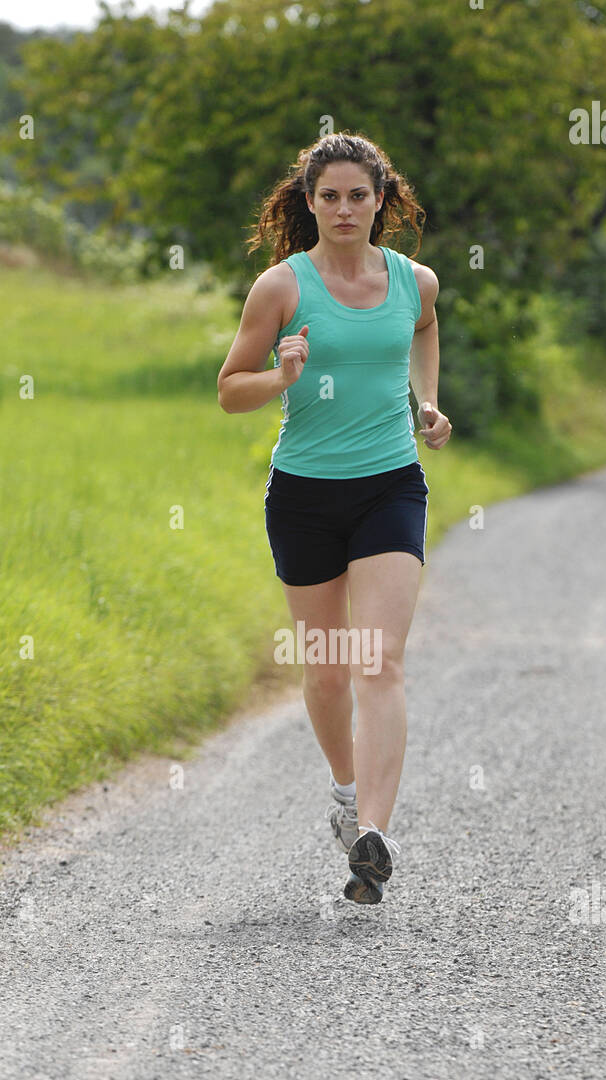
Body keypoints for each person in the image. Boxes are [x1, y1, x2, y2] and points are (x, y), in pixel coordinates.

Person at [217, 132, 451, 904]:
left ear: (380, 199)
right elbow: (229, 389)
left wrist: (425, 402)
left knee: (378, 660)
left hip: (390, 485)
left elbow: (421, 332)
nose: (344, 208)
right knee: (325, 672)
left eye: (358, 195)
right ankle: (346, 797)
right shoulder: (280, 288)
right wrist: (278, 372)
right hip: (304, 494)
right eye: (329, 196)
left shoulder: (415, 281)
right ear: (308, 202)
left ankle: (375, 833)